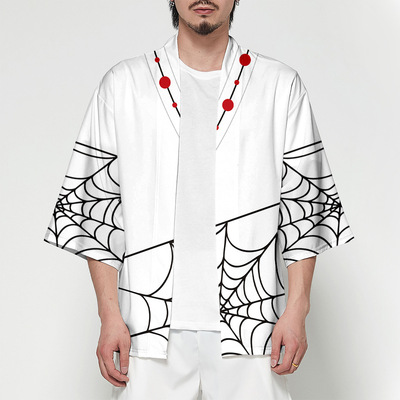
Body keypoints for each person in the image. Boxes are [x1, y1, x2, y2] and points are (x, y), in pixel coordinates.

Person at [43, 1, 355, 399]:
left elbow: (304, 206)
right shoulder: (123, 85)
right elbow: (95, 205)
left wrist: (297, 309)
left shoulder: (279, 86)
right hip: (147, 327)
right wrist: (109, 316)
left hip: (253, 322)